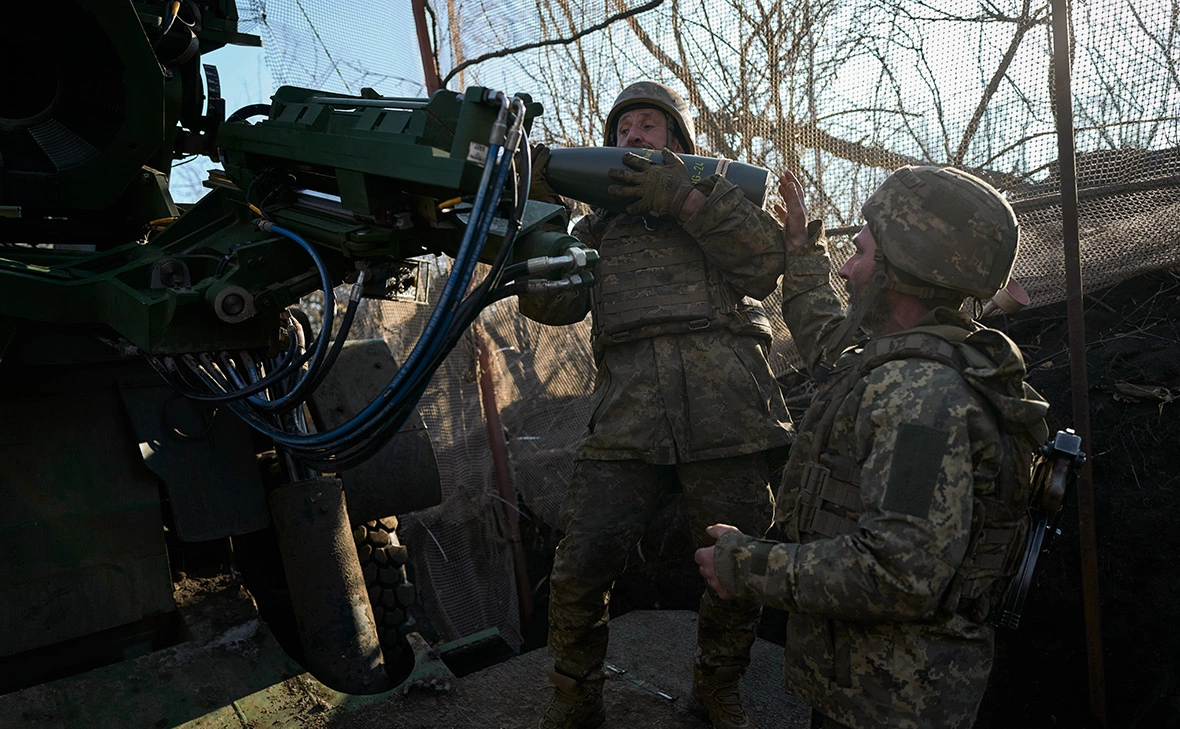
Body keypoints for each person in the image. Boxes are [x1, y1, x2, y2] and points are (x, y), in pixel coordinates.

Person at [695, 166, 1051, 729]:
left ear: (898, 271)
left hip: (891, 701)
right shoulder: (914, 360)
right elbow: (828, 340)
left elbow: (897, 572)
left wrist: (746, 565)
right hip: (875, 688)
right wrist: (800, 251)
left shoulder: (923, 399)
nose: (846, 268)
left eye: (860, 253)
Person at [522, 81, 794, 729]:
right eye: (623, 130)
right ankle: (575, 698)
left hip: (726, 412)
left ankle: (718, 688)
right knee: (581, 566)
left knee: (737, 566)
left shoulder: (721, 199)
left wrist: (688, 200)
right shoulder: (595, 229)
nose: (633, 136)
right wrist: (540, 216)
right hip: (628, 418)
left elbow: (765, 265)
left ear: (676, 139)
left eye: (648, 125)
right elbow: (553, 305)